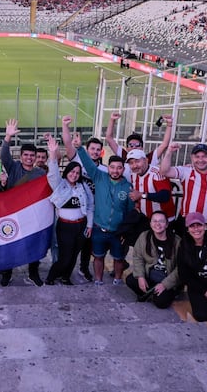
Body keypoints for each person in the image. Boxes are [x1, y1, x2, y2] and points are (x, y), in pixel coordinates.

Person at [77, 144, 134, 286]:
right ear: (108, 168)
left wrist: (125, 232)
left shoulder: (128, 187)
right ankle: (98, 280)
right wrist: (79, 148)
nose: (115, 170)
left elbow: (130, 212)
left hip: (118, 232)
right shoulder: (99, 177)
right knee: (98, 256)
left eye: (119, 168)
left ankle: (118, 280)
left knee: (118, 258)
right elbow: (88, 164)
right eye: (112, 167)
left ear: (123, 169)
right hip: (99, 228)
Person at [0, 118, 46, 286]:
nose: (29, 158)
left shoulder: (40, 173)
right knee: (10, 244)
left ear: (36, 158)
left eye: (32, 155)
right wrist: (8, 137)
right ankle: (7, 273)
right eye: (26, 155)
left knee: (33, 244)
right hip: (13, 214)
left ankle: (33, 272)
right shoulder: (13, 167)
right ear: (20, 156)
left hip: (32, 215)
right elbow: (4, 155)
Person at [44, 136, 94, 286]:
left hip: (81, 225)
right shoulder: (60, 184)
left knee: (74, 255)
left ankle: (66, 277)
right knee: (65, 257)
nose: (74, 175)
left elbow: (90, 206)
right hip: (65, 226)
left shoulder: (83, 186)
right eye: (72, 171)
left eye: (77, 173)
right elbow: (53, 173)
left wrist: (89, 225)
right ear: (67, 172)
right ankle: (51, 277)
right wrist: (53, 153)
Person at [160, 142, 207, 238]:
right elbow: (164, 172)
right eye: (197, 156)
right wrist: (169, 152)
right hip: (186, 222)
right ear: (192, 158)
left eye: (204, 156)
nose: (200, 160)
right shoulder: (186, 171)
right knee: (183, 247)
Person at [61, 115, 105, 282]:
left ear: (101, 152)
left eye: (98, 149)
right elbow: (68, 144)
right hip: (75, 210)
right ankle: (64, 270)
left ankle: (84, 268)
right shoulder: (78, 159)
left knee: (88, 243)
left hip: (93, 211)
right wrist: (65, 126)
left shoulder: (104, 169)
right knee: (73, 244)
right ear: (87, 149)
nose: (95, 152)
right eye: (92, 148)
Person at [125, 211, 181, 308]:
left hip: (167, 279)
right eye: (154, 221)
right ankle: (152, 293)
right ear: (150, 224)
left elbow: (181, 267)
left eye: (161, 221)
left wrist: (164, 284)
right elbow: (138, 257)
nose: (157, 224)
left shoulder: (177, 242)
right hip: (150, 276)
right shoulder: (144, 237)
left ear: (167, 224)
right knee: (130, 280)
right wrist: (141, 276)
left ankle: (153, 294)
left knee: (161, 303)